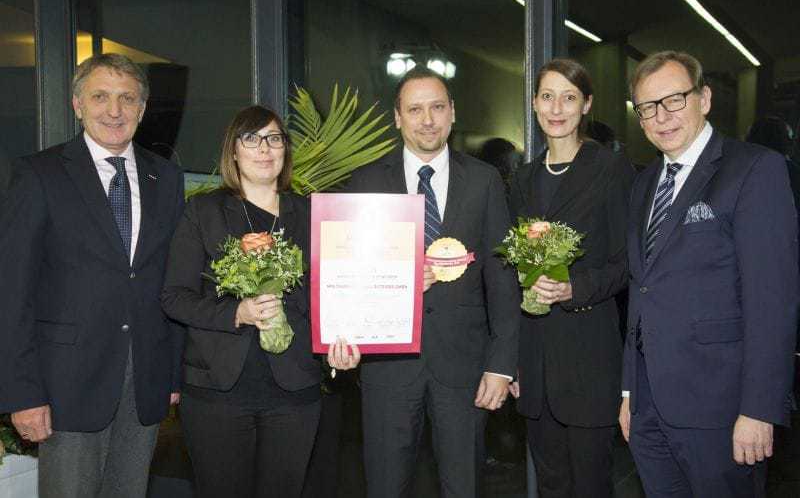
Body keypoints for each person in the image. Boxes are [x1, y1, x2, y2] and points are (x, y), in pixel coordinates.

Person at [0, 53, 185, 498]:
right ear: (77, 104)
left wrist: (172, 376)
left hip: (144, 378)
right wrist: (22, 393)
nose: (114, 110)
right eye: (100, 97)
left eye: (127, 98)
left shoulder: (166, 177)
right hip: (65, 383)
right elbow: (12, 291)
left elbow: (171, 280)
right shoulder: (38, 174)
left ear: (143, 108)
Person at [619, 51, 798, 497]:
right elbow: (642, 290)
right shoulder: (643, 184)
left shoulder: (754, 169)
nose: (661, 116)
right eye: (647, 107)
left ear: (705, 99)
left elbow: (772, 300)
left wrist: (759, 409)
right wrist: (628, 393)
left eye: (674, 100)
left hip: (722, 408)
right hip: (648, 408)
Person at [160, 105, 359, 498]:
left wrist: (340, 350)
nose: (264, 149)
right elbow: (174, 297)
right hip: (217, 393)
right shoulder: (203, 212)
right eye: (251, 139)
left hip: (295, 392)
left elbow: (336, 294)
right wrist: (237, 311)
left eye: (274, 138)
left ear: (285, 149)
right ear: (233, 151)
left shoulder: (314, 214)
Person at [348, 67, 520, 498]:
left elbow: (502, 278)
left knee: (463, 486)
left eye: (437, 107)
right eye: (415, 109)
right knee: (385, 487)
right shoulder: (366, 182)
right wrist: (342, 335)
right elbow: (348, 273)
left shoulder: (483, 181)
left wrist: (501, 364)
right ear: (397, 117)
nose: (427, 120)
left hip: (464, 367)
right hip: (387, 367)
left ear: (452, 112)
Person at [507, 58, 634, 498]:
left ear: (587, 105)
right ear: (534, 104)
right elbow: (511, 273)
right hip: (535, 361)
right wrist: (513, 360)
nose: (556, 108)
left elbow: (626, 263)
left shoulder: (611, 170)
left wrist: (574, 289)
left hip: (589, 358)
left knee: (591, 484)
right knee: (551, 486)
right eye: (547, 96)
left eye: (569, 97)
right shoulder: (522, 180)